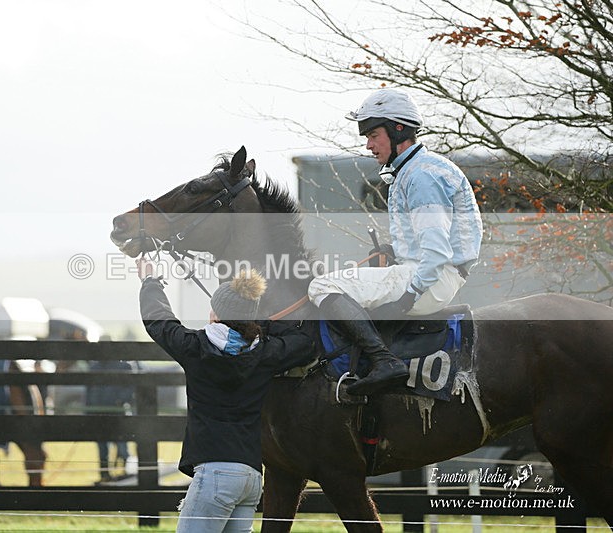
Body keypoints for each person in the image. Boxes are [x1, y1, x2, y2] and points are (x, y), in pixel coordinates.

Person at [308, 87, 483, 396]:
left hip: (431, 279)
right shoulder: (414, 170)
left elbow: (437, 251)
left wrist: (409, 295)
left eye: (373, 135)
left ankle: (384, 361)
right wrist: (394, 251)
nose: (368, 145)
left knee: (322, 285)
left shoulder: (421, 176)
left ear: (398, 129)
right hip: (432, 274)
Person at [137, 259, 315, 533]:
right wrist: (261, 325)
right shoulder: (266, 353)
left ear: (215, 315)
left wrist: (150, 282)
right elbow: (304, 342)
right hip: (251, 476)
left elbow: (159, 322)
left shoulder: (194, 347)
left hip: (215, 473)